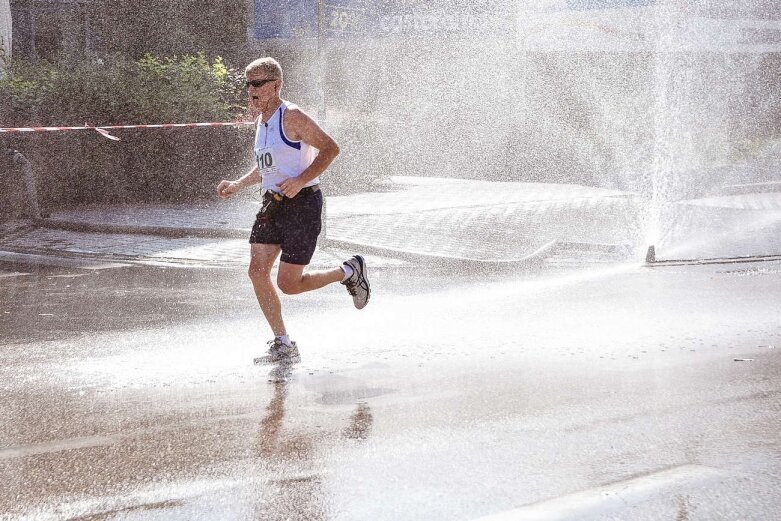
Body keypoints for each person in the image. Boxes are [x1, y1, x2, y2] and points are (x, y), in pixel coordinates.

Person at [217, 57, 370, 365]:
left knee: (289, 284)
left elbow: (331, 148)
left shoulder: (293, 116)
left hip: (303, 205)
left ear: (276, 85)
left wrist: (300, 181)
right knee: (256, 271)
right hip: (272, 204)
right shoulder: (262, 120)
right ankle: (283, 343)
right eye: (247, 84)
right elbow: (267, 168)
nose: (251, 91)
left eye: (257, 84)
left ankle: (349, 271)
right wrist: (238, 184)